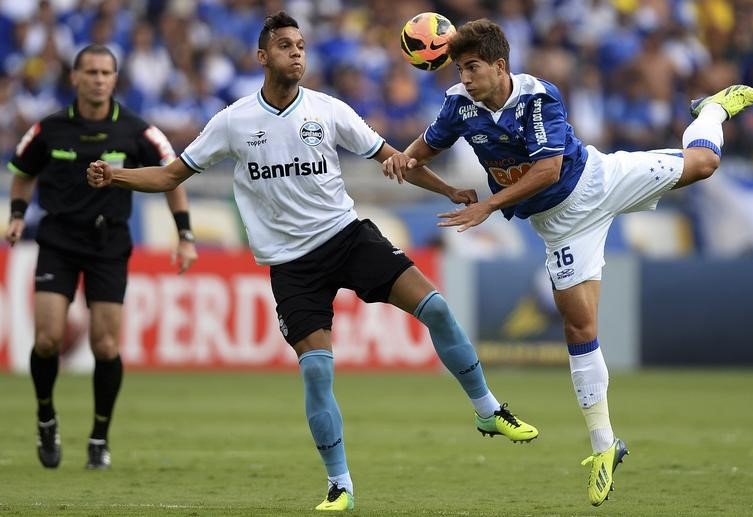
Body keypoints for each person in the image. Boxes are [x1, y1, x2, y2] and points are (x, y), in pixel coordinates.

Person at [86, 12, 537, 512]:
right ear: (262, 57)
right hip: (292, 265)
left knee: (435, 308)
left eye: (301, 45)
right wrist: (118, 175)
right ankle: (340, 485)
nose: (296, 52)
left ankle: (487, 409)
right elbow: (171, 176)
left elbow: (393, 159)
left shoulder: (328, 110)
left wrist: (448, 188)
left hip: (347, 237)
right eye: (285, 45)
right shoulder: (234, 121)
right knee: (318, 372)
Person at [382, 19, 753, 507]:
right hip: (561, 227)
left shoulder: (539, 98)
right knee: (579, 326)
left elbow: (548, 169)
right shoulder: (459, 105)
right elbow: (417, 156)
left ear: (500, 65)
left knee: (703, 164)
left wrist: (487, 206)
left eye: (473, 67)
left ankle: (709, 110)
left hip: (599, 182)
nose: (465, 77)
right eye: (459, 67)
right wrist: (399, 159)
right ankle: (605, 446)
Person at [6, 44, 199, 470]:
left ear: (115, 79)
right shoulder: (48, 129)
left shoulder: (137, 130)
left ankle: (99, 436)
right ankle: (45, 417)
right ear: (74, 77)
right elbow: (22, 174)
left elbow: (173, 177)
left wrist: (184, 234)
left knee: (106, 344)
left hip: (108, 244)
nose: (97, 79)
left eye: (105, 72)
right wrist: (17, 217)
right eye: (89, 72)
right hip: (57, 239)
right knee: (47, 340)